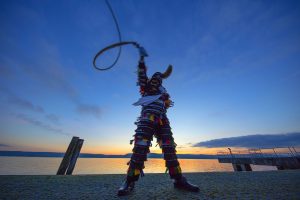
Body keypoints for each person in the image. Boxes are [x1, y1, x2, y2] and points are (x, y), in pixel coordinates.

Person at [117, 46, 200, 196]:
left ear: (161, 82)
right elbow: (142, 75)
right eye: (154, 78)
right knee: (140, 148)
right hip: (147, 119)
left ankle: (178, 180)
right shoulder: (146, 87)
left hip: (162, 120)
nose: (155, 80)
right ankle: (129, 181)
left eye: (158, 79)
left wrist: (164, 100)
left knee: (169, 148)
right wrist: (141, 59)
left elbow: (166, 106)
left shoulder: (163, 94)